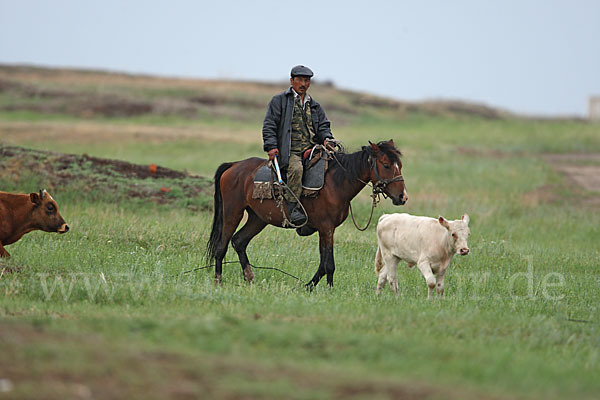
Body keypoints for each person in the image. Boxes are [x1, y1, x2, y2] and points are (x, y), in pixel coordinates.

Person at [262, 65, 336, 225]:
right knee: (296, 169)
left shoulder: (314, 105)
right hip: (290, 151)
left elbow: (323, 126)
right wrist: (271, 146)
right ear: (292, 81)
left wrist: (327, 139)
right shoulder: (279, 101)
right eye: (300, 80)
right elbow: (269, 125)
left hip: (312, 149)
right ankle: (292, 208)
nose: (303, 84)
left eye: (307, 80)